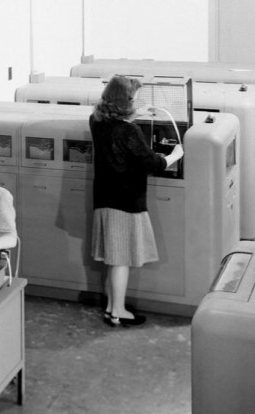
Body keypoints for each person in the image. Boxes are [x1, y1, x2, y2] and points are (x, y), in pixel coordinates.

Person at [89, 75, 183, 327]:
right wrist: (175, 155)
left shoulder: (96, 121)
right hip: (126, 202)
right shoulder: (129, 130)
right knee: (122, 261)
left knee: (114, 259)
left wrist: (138, 112)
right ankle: (118, 312)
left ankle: (112, 308)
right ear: (125, 100)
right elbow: (152, 163)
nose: (137, 102)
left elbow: (115, 129)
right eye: (134, 99)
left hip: (104, 198)